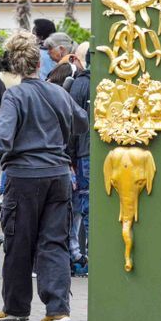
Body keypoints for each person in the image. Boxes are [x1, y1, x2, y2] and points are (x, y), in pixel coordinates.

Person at [0, 33, 85, 321]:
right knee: (54, 242)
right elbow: (81, 122)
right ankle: (58, 309)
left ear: (15, 67)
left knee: (19, 242)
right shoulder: (59, 92)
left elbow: (3, 133)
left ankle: (17, 306)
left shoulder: (15, 95)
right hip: (58, 175)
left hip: (24, 176)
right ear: (37, 64)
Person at [65, 41, 92, 277]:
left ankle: (83, 258)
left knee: (84, 206)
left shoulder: (79, 85)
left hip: (84, 153)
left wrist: (69, 158)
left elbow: (73, 126)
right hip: (97, 152)